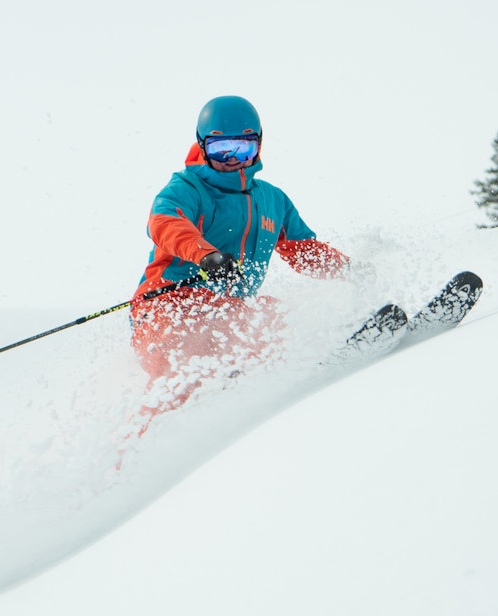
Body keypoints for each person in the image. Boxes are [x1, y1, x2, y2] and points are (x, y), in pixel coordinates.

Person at [130, 95, 353, 413]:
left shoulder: (272, 200)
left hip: (229, 310)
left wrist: (353, 272)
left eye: (244, 148)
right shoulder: (187, 189)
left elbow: (304, 250)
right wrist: (208, 257)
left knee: (275, 321)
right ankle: (147, 448)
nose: (233, 159)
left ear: (258, 146)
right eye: (222, 149)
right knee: (181, 369)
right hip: (169, 305)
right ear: (203, 146)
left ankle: (305, 370)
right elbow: (166, 222)